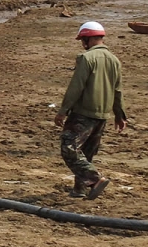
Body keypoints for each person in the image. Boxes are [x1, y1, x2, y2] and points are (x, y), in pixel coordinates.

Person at [54, 21, 126, 199]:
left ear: (87, 39)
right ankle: (80, 190)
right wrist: (119, 115)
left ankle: (95, 179)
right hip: (102, 116)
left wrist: (63, 110)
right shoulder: (114, 60)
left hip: (83, 113)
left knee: (69, 148)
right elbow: (118, 90)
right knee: (86, 153)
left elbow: (76, 87)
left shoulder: (86, 58)